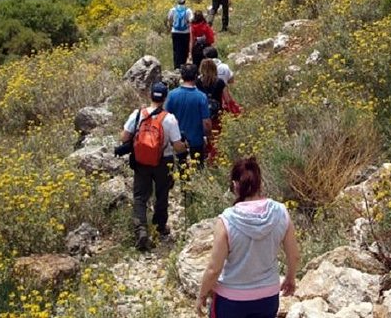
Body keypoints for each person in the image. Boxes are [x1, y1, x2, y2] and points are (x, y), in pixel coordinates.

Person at [195, 157, 300, 317]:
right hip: (268, 296)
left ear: (235, 185)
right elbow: (294, 255)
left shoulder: (227, 219)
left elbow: (214, 268)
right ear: (260, 183)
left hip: (231, 299)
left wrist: (202, 294)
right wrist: (290, 278)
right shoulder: (280, 212)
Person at [120, 82, 186, 251]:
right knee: (162, 194)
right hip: (164, 161)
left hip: (141, 161)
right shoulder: (169, 119)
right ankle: (159, 227)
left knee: (140, 196)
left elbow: (124, 137)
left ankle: (141, 229)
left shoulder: (137, 114)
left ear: (150, 95)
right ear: (165, 98)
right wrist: (186, 147)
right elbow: (178, 146)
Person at [165, 63, 211, 170]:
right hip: (196, 141)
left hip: (177, 141)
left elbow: (166, 118)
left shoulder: (172, 95)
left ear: (182, 76)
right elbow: (206, 123)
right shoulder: (201, 97)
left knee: (182, 172)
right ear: (196, 76)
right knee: (198, 171)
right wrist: (208, 136)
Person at [196, 59, 229, 161]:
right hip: (216, 115)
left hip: (201, 115)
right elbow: (227, 99)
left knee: (203, 137)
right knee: (216, 139)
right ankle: (214, 159)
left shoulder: (198, 82)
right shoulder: (219, 82)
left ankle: (204, 156)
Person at [167, 0, 194, 69]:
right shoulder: (188, 10)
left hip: (175, 32)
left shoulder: (173, 10)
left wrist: (171, 26)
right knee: (185, 49)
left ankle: (176, 67)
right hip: (185, 32)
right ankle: (183, 65)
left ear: (177, 1)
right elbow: (191, 20)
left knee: (176, 50)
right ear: (185, 1)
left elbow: (169, 19)